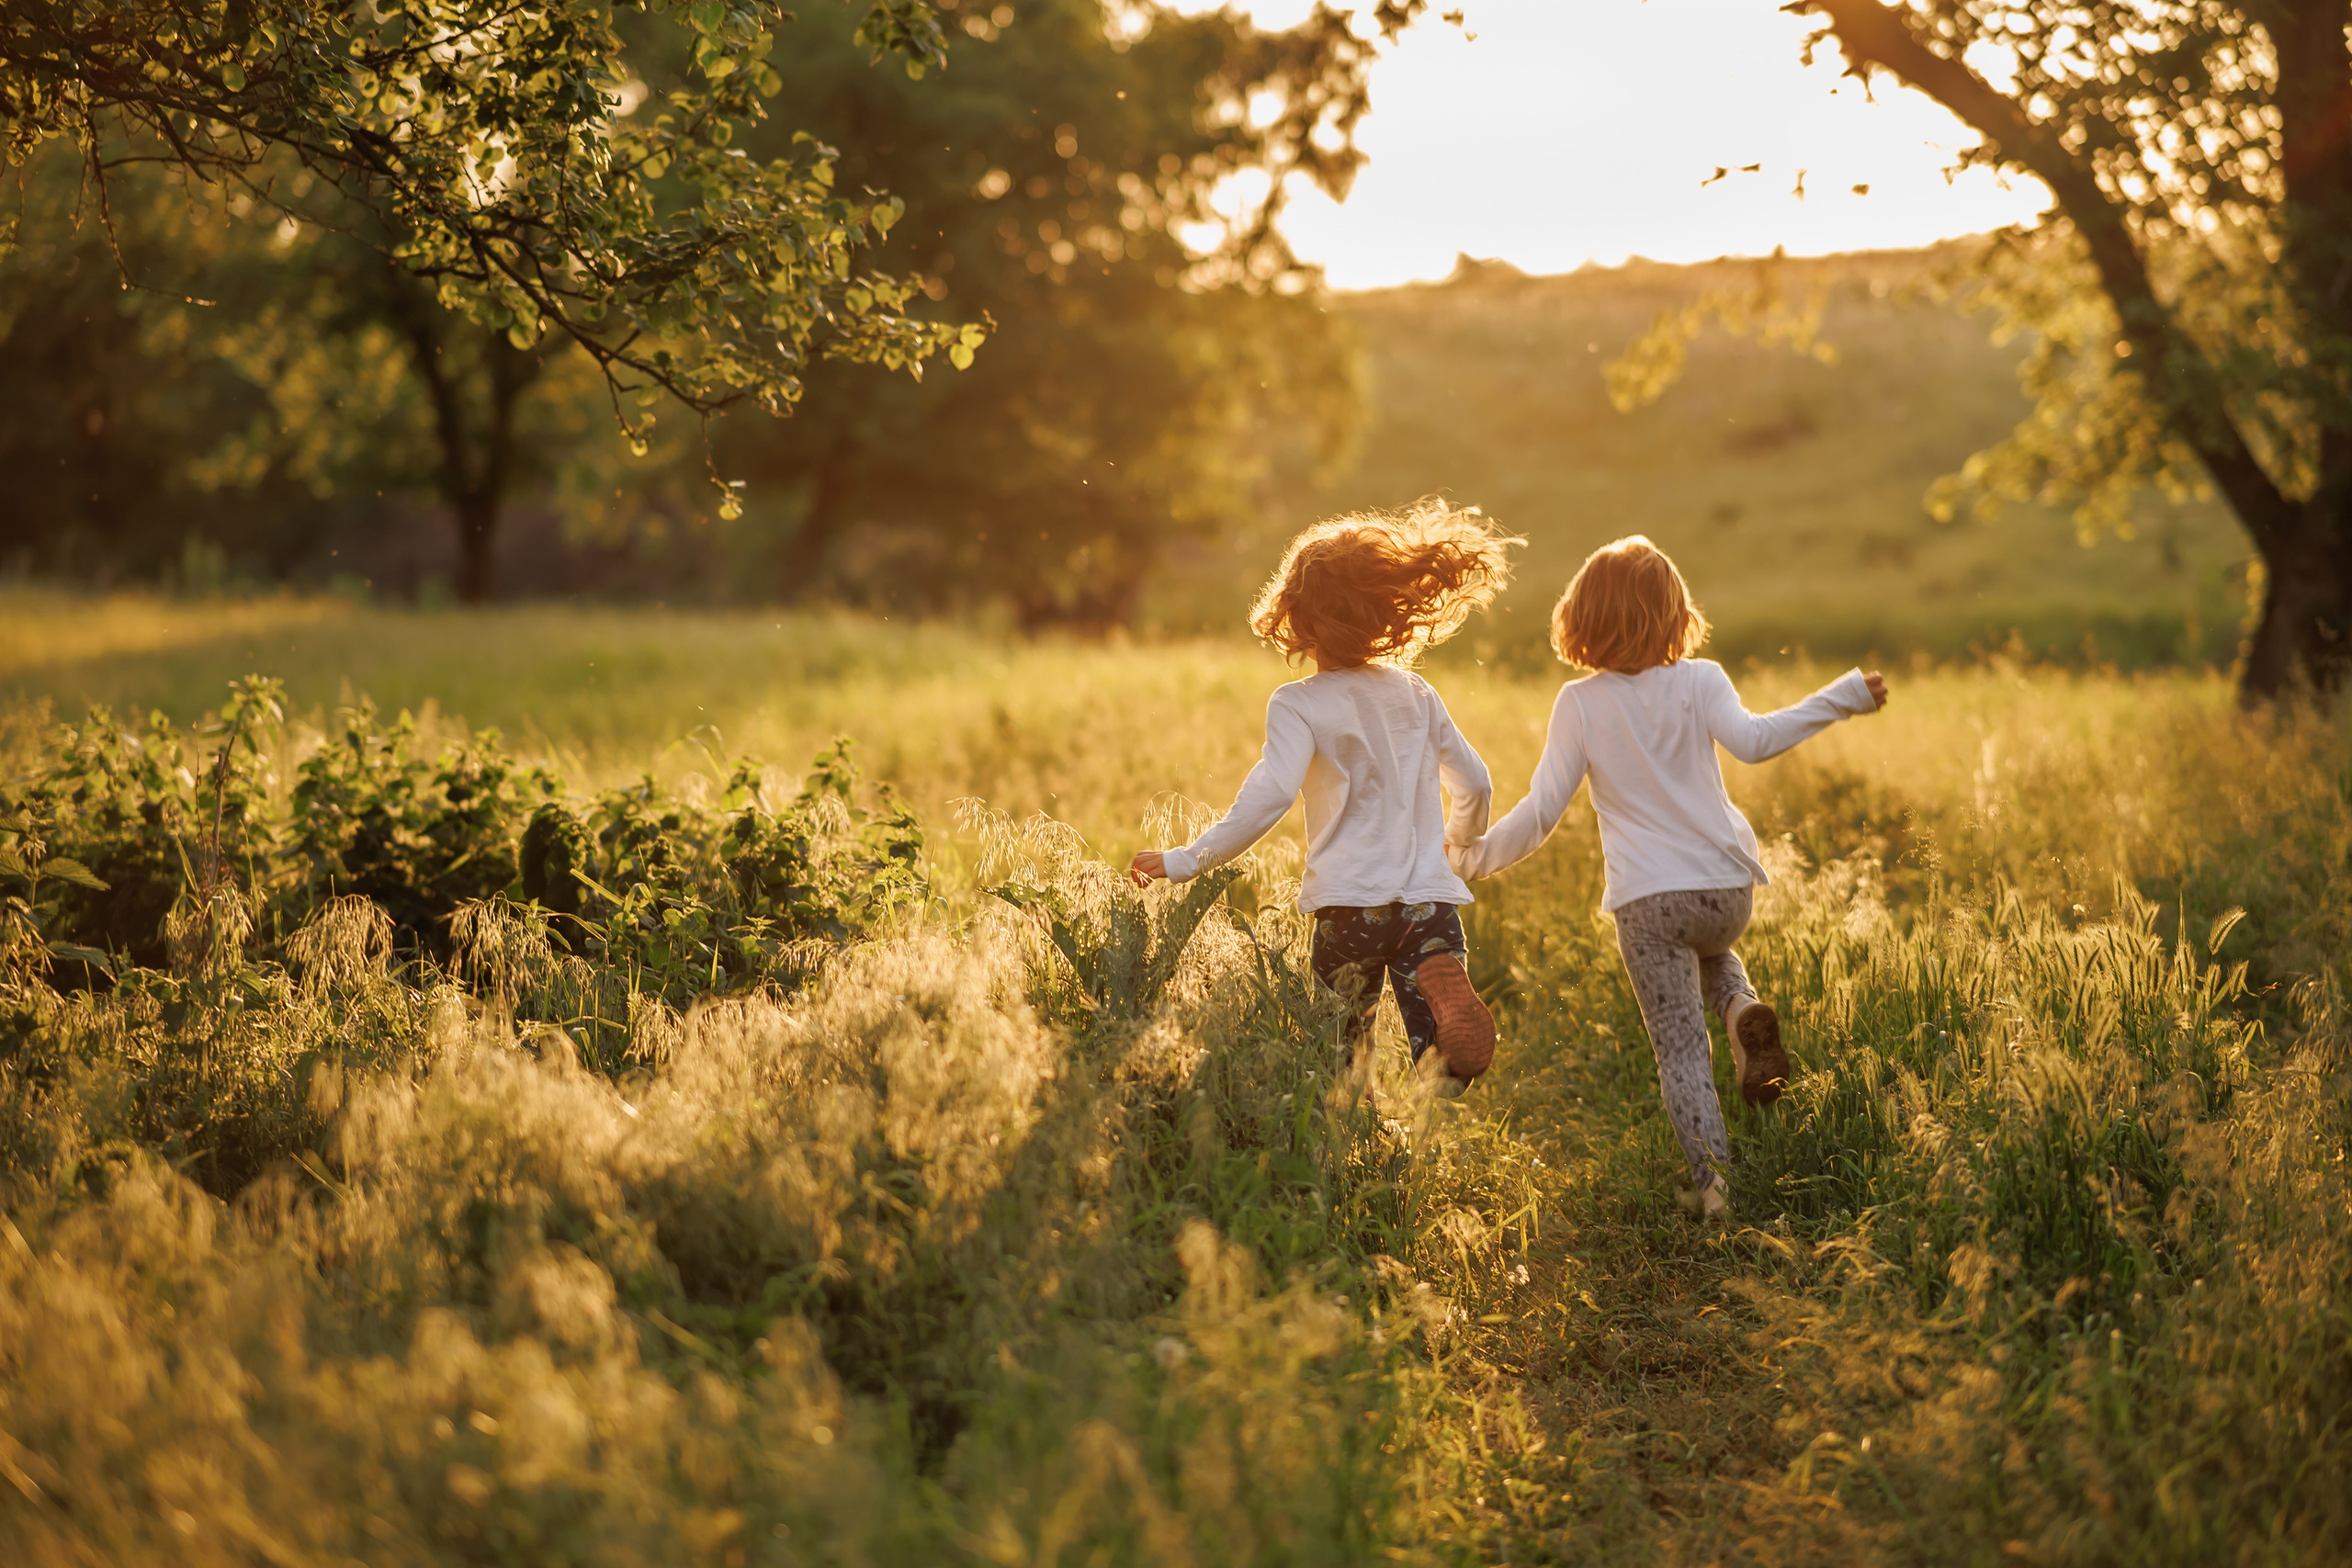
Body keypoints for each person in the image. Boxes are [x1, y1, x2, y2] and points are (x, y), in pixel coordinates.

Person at [1447, 536, 1888, 1216]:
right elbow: (1757, 740)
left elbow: (1540, 812)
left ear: (1583, 618)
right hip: (1725, 892)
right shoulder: (1702, 679)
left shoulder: (1580, 703)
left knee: (1682, 1050)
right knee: (1712, 950)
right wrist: (1845, 694)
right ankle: (1741, 1008)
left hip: (1651, 903)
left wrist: (1472, 856)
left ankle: (1714, 1188)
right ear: (1675, 614)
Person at [1128, 502, 1517, 1097]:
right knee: (1435, 1041)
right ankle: (1439, 1050)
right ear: (1387, 611)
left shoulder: (1299, 703)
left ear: (1299, 617)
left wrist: (1188, 858)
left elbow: (1270, 796)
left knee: (1338, 1052)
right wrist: (1459, 844)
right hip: (1428, 903)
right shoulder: (1416, 692)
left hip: (1350, 907)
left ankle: (1349, 1141)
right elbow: (1477, 782)